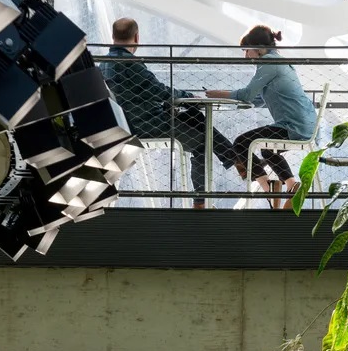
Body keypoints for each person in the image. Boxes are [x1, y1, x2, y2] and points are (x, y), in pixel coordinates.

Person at [101, 18, 237, 208]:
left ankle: (235, 160)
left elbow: (139, 95)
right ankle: (202, 200)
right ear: (137, 37)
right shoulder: (131, 64)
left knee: (195, 117)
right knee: (202, 145)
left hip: (125, 125)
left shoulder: (103, 65)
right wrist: (188, 96)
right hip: (149, 126)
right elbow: (159, 91)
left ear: (113, 36)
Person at [203, 25, 317, 210]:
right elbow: (257, 99)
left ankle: (270, 190)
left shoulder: (268, 64)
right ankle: (291, 186)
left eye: (246, 50)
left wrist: (219, 94)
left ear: (258, 48)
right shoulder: (278, 62)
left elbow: (247, 94)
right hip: (305, 123)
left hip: (293, 125)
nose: (245, 56)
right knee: (266, 149)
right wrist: (239, 100)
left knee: (241, 143)